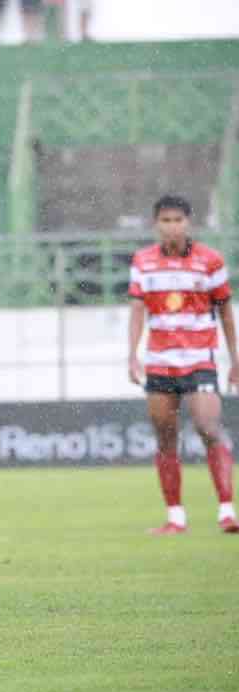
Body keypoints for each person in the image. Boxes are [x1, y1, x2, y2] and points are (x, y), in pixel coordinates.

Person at [128, 194, 238, 535]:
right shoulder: (143, 261)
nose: (172, 226)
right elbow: (137, 311)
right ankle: (176, 518)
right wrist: (132, 355)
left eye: (178, 220)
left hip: (199, 360)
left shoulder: (210, 261)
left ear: (188, 223)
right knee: (165, 438)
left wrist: (235, 359)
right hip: (160, 363)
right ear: (155, 224)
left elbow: (224, 311)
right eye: (166, 220)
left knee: (208, 427)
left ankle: (227, 511)